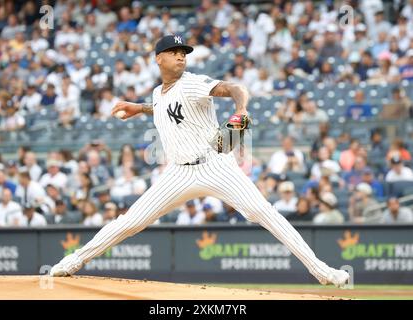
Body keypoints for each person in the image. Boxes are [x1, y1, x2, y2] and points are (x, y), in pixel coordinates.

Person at [50, 34, 349, 287]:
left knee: (263, 211)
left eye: (183, 53)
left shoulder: (192, 83)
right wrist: (139, 108)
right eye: (173, 52)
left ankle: (320, 270)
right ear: (158, 59)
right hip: (178, 173)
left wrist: (241, 107)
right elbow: (163, 106)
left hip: (215, 163)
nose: (181, 57)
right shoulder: (158, 92)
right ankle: (75, 259)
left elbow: (235, 88)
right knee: (130, 222)